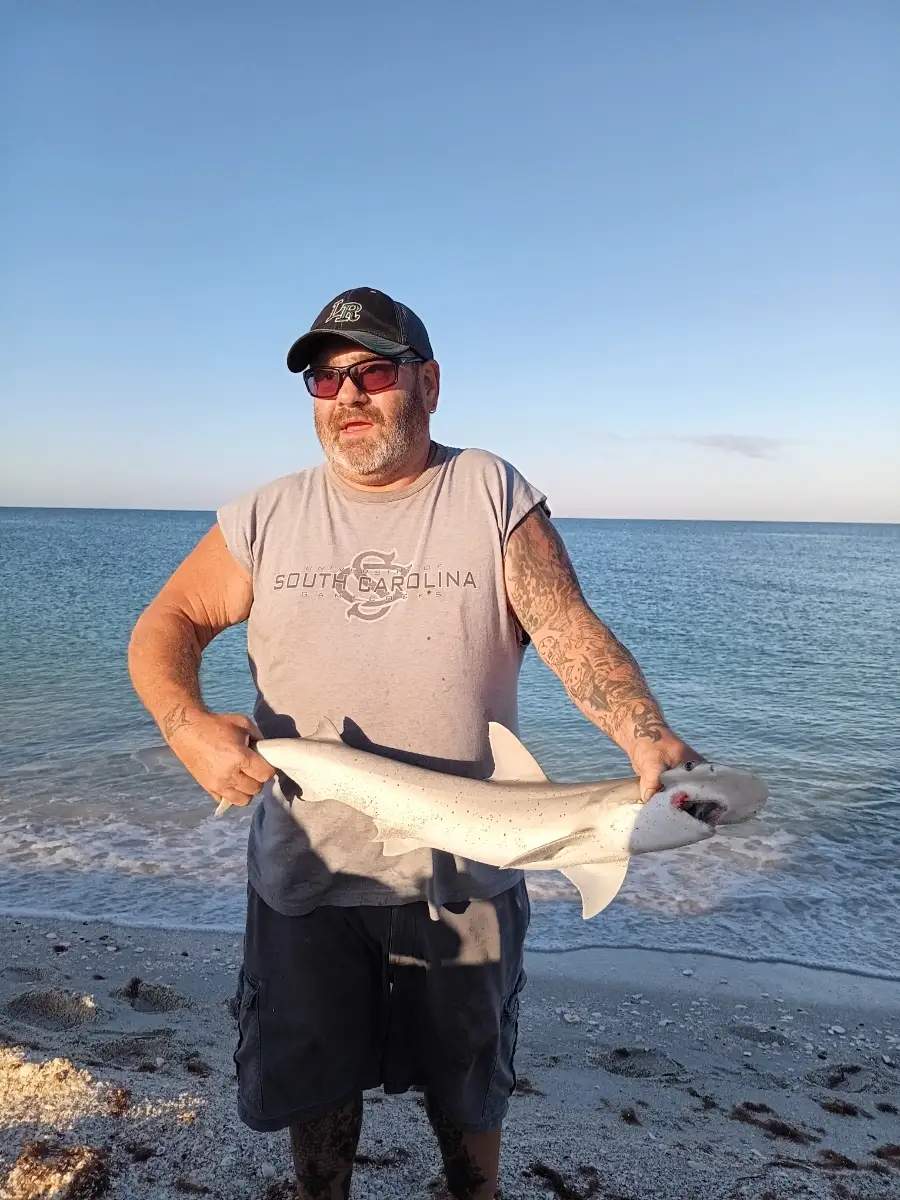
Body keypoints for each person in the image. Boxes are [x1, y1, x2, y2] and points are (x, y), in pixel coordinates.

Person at [127, 287, 698, 1200]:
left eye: (374, 371)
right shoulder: (263, 515)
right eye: (326, 378)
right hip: (306, 870)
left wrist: (642, 727)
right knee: (316, 1092)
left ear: (428, 382)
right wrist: (185, 724)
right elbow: (171, 621)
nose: (348, 396)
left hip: (466, 867)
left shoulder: (490, 491)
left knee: (469, 1093)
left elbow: (566, 629)